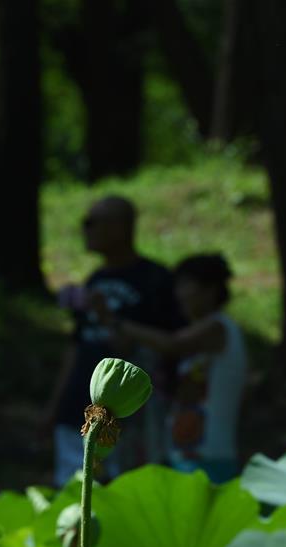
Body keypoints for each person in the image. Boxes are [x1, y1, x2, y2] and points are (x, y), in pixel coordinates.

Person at [42, 195, 184, 486]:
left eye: (92, 222)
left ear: (121, 227)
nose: (85, 229)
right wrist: (54, 407)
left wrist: (112, 319)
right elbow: (76, 346)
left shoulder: (155, 279)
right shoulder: (94, 279)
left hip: (129, 415)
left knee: (121, 493)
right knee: (72, 493)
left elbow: (167, 345)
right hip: (77, 408)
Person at [94, 254, 247, 483]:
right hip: (187, 450)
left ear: (210, 290)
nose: (179, 294)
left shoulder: (218, 327)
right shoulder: (201, 331)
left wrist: (116, 321)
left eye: (187, 285)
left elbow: (171, 344)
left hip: (210, 453)